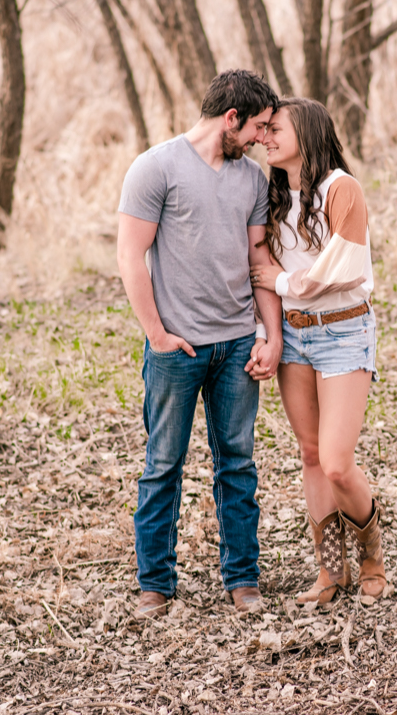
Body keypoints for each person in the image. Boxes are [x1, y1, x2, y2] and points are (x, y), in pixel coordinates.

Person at [117, 68, 282, 619]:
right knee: (163, 464)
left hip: (236, 347)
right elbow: (130, 256)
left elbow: (259, 260)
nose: (262, 137)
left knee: (237, 464)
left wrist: (270, 335)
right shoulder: (155, 167)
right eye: (257, 126)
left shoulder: (252, 179)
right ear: (231, 118)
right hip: (177, 350)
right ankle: (155, 585)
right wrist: (157, 335)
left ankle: (243, 579)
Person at [248, 97, 390, 606]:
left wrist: (283, 281)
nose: (265, 138)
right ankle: (331, 572)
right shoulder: (271, 196)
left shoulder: (341, 189)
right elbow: (258, 270)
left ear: (306, 134)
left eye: (275, 129)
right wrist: (268, 328)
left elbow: (342, 269)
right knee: (310, 454)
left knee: (335, 462)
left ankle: (371, 556)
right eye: (263, 130)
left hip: (343, 332)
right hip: (294, 335)